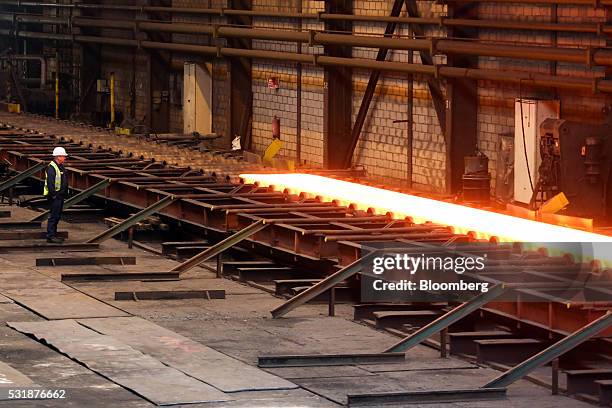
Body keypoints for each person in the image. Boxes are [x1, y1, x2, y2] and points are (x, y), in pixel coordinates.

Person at [44, 147, 68, 243]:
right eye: (63, 156)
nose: (65, 158)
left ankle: (53, 234)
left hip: (60, 196)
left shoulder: (60, 166)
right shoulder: (52, 167)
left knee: (57, 216)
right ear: (58, 157)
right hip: (55, 196)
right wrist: (54, 195)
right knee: (54, 216)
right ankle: (50, 236)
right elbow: (50, 183)